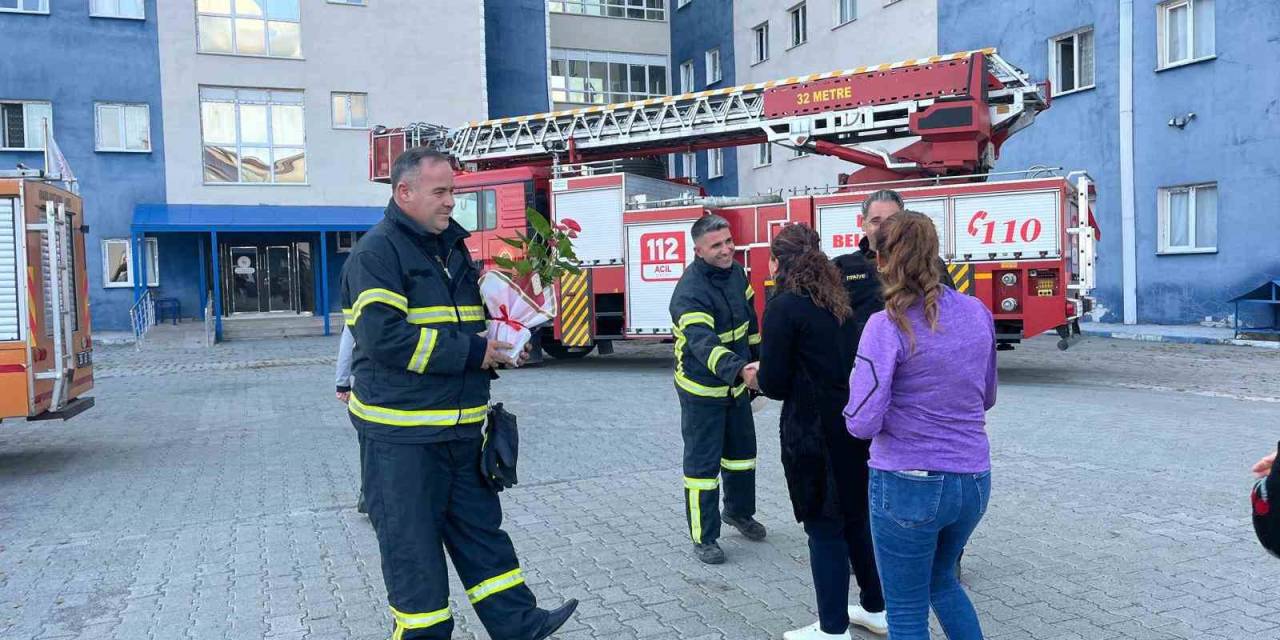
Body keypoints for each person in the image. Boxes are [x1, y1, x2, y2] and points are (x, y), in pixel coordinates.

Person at [340, 147, 577, 640]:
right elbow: (384, 339)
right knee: (415, 558)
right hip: (402, 440)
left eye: (454, 190)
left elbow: (473, 323)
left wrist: (509, 343)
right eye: (441, 191)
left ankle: (519, 626)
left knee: (481, 537)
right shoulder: (376, 254)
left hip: (462, 429)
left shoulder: (451, 249)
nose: (452, 201)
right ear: (404, 193)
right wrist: (475, 353)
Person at [844, 211, 998, 640]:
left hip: (908, 483)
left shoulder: (885, 324)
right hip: (973, 480)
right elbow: (986, 396)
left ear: (881, 261)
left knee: (907, 612)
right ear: (936, 255)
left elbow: (862, 422)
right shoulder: (976, 311)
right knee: (942, 582)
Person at [751, 224, 887, 639]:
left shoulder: (782, 307)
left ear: (778, 262)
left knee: (823, 526)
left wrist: (755, 376)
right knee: (856, 518)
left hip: (810, 433)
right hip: (851, 426)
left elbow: (774, 382)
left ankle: (831, 629)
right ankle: (876, 608)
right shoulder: (837, 300)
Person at [669, 213, 767, 565]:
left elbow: (749, 324)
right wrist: (740, 369)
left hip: (736, 387)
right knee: (702, 468)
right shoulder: (689, 292)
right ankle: (704, 536)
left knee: (742, 456)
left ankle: (738, 513)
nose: (727, 249)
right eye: (717, 245)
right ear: (698, 250)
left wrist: (757, 362)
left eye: (728, 241)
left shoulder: (737, 274)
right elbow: (704, 345)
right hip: (702, 392)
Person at [834, 189, 955, 350]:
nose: (883, 227)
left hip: (916, 359)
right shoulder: (842, 267)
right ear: (863, 225)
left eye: (892, 220)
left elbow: (949, 312)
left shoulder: (932, 264)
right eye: (876, 221)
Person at [334, 325, 367, 514]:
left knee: (369, 448)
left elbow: (347, 346)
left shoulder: (359, 303)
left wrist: (342, 384)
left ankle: (367, 496)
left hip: (366, 393)